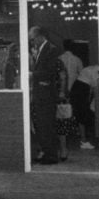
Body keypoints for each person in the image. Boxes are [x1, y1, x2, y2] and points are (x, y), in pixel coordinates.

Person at [28, 26, 67, 164]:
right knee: (43, 125)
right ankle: (47, 152)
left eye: (32, 40)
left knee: (47, 125)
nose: (32, 43)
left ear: (40, 37)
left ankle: (51, 155)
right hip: (42, 93)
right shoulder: (43, 49)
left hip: (46, 94)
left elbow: (50, 72)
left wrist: (32, 74)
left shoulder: (50, 49)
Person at [72, 64, 99, 148]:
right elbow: (95, 86)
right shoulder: (98, 69)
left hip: (78, 87)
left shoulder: (93, 67)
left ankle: (83, 140)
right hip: (82, 89)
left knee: (81, 113)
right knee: (82, 114)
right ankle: (83, 141)